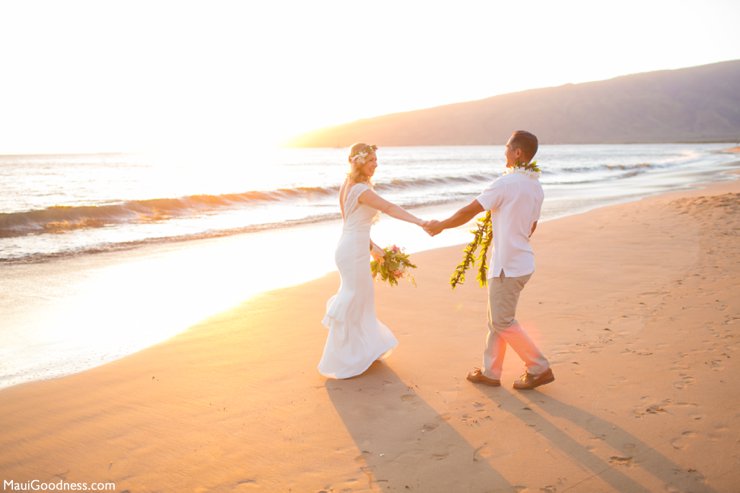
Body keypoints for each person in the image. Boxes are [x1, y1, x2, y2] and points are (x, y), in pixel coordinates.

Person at [424, 130, 554, 390]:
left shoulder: (505, 184)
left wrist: (441, 226)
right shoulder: (535, 186)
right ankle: (491, 372)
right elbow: (532, 227)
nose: (504, 152)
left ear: (517, 153)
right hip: (522, 261)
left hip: (508, 265)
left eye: (507, 147)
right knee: (497, 318)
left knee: (502, 321)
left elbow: (469, 211)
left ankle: (539, 368)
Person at [319, 143, 428, 379]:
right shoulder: (359, 189)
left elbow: (353, 224)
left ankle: (360, 350)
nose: (376, 164)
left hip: (351, 248)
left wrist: (373, 249)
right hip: (352, 251)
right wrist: (420, 222)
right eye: (371, 160)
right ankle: (343, 357)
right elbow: (388, 207)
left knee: (360, 299)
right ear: (358, 162)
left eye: (376, 160)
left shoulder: (348, 186)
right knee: (354, 298)